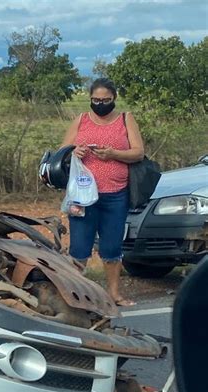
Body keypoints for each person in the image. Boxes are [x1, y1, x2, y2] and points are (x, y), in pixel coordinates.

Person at [61, 78, 144, 306]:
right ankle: (75, 296)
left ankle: (114, 294)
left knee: (111, 247)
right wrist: (73, 152)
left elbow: (138, 152)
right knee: (79, 247)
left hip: (116, 194)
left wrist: (114, 154)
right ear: (90, 99)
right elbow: (62, 150)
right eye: (96, 100)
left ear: (114, 99)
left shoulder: (126, 119)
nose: (100, 104)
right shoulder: (82, 120)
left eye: (105, 100)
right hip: (83, 195)